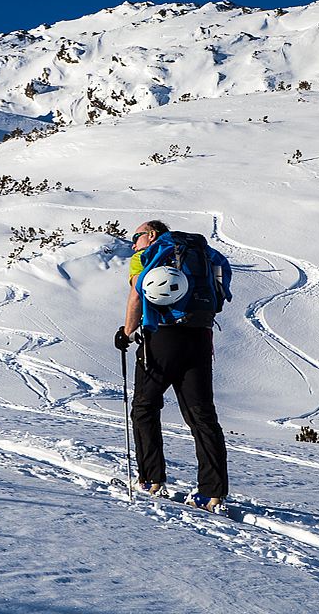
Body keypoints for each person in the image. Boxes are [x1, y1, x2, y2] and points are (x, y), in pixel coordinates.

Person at [115, 219, 229, 510]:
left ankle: (151, 479)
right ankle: (212, 492)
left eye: (136, 236)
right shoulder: (205, 254)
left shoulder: (146, 256)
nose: (133, 243)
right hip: (200, 338)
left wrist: (126, 333)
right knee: (202, 415)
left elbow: (137, 294)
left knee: (145, 407)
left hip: (163, 337)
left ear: (151, 235)